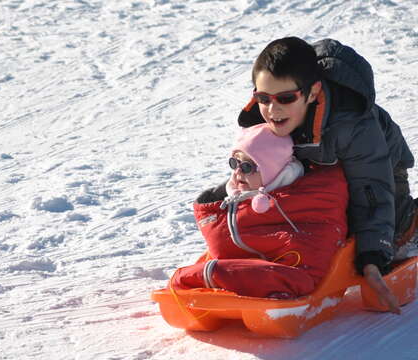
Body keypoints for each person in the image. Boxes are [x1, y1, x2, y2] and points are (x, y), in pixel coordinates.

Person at [199, 37, 414, 313]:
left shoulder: (352, 125)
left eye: (286, 98)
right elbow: (256, 170)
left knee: (373, 226)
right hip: (315, 177)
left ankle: (408, 223)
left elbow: (372, 188)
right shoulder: (262, 116)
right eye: (263, 98)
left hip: (379, 175)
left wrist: (373, 254)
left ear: (312, 93)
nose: (272, 110)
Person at [170, 123, 349, 299]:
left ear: (273, 169)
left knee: (189, 277)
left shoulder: (305, 203)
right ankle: (214, 276)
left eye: (248, 166)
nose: (238, 171)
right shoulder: (232, 203)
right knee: (194, 275)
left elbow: (304, 272)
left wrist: (213, 274)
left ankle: (213, 276)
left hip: (286, 275)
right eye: (234, 163)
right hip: (248, 270)